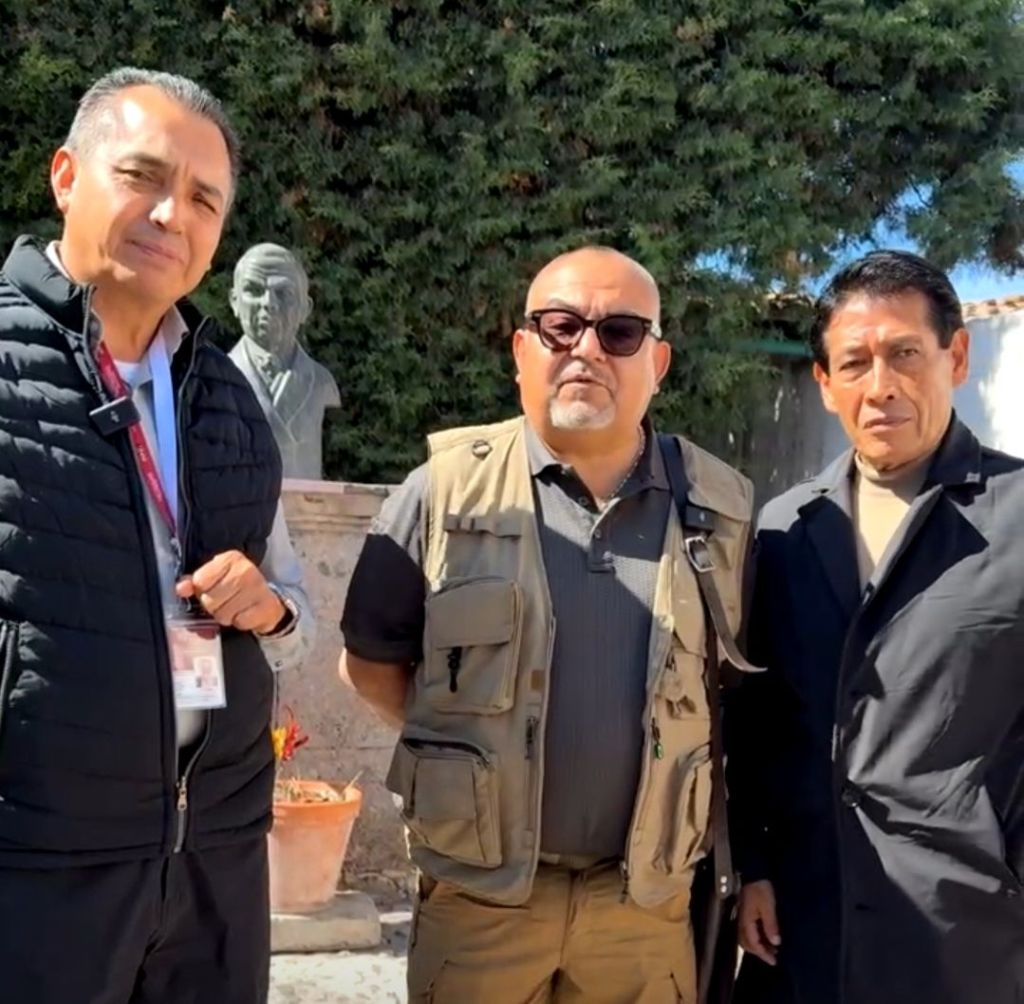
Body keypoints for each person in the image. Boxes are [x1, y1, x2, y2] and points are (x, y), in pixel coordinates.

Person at [340, 246, 755, 1003]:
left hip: (643, 909)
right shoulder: (441, 491)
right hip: (481, 903)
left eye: (620, 332)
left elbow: (737, 696)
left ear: (658, 362)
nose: (587, 350)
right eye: (561, 326)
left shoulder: (722, 510)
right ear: (521, 350)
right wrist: (478, 746)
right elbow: (369, 663)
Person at [0, 68, 314, 1003]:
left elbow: (293, 608)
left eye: (204, 200)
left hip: (213, 859)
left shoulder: (226, 399)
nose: (173, 214)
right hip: (39, 859)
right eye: (142, 176)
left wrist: (270, 608)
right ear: (67, 176)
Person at [728, 250, 1024, 1004]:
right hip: (805, 929)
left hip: (969, 937)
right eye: (854, 363)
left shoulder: (1018, 516)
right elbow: (759, 719)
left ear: (956, 357)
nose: (881, 385)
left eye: (905, 354)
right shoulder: (786, 529)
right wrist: (755, 865)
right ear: (825, 383)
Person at [228, 242, 341, 480]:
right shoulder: (213, 381)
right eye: (254, 290)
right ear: (234, 302)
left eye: (284, 293)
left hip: (305, 503)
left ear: (305, 309)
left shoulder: (322, 384)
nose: (268, 303)